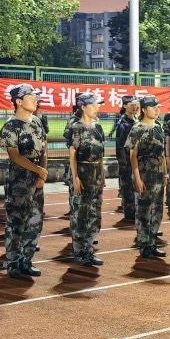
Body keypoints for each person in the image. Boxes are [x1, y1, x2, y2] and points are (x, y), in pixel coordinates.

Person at [0, 84, 48, 278]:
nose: (35, 100)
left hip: (37, 177)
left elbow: (43, 150)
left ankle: (26, 261)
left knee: (35, 221)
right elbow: (14, 156)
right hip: (19, 178)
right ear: (19, 101)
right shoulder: (11, 125)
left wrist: (41, 175)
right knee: (16, 222)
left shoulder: (37, 122)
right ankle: (13, 263)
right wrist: (39, 171)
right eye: (31, 96)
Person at [126, 95, 167, 258]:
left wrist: (165, 174)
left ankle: (152, 242)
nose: (157, 110)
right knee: (144, 210)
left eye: (158, 108)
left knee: (157, 210)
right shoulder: (137, 128)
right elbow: (133, 156)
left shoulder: (158, 127)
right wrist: (137, 178)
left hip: (158, 174)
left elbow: (162, 154)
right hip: (144, 174)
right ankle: (144, 245)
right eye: (153, 107)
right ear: (144, 109)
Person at [69, 93, 105, 267]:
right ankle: (79, 251)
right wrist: (75, 177)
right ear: (83, 107)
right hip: (83, 173)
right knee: (81, 214)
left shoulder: (98, 127)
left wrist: (102, 173)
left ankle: (89, 249)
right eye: (93, 105)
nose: (96, 108)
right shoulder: (77, 127)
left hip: (96, 173)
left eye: (97, 105)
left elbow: (101, 153)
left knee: (94, 214)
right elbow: (72, 154)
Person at [115, 96, 139, 220]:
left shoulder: (136, 120)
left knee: (135, 185)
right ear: (124, 106)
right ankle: (129, 212)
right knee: (128, 186)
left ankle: (135, 209)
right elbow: (120, 146)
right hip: (127, 160)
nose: (135, 107)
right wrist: (123, 163)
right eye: (131, 104)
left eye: (136, 104)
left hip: (136, 159)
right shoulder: (123, 123)